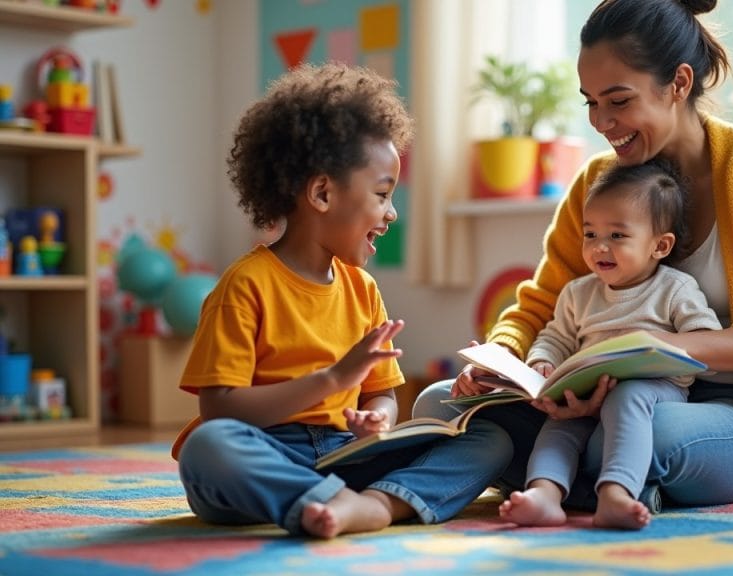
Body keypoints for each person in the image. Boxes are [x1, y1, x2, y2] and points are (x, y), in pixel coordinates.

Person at [414, 0, 733, 515]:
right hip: (606, 401)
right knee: (441, 405)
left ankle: (561, 478)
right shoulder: (598, 180)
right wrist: (505, 360)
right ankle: (603, 486)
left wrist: (666, 346)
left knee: (639, 434)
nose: (601, 121)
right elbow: (541, 304)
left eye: (618, 101)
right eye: (590, 103)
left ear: (679, 83)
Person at [171, 62, 512, 539]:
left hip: (345, 456)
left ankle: (370, 506)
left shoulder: (362, 288)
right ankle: (337, 500)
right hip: (267, 455)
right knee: (208, 448)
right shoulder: (245, 286)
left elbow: (381, 393)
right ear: (322, 192)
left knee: (490, 437)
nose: (392, 213)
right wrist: (331, 379)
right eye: (382, 194)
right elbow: (220, 411)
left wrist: (378, 421)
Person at [498, 159, 722, 530]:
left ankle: (616, 494)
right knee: (558, 426)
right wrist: (542, 362)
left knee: (627, 397)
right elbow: (555, 337)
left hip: (654, 390)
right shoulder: (578, 293)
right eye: (590, 235)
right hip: (585, 391)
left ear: (659, 246)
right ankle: (544, 495)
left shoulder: (674, 289)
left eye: (617, 236)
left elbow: (706, 344)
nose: (600, 247)